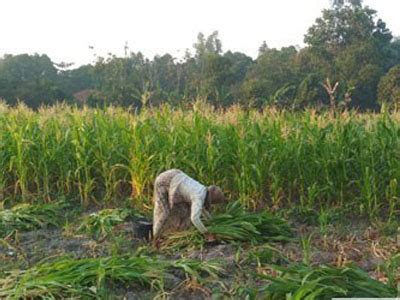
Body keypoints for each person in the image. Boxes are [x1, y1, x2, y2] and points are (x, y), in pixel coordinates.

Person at [152, 169, 225, 240]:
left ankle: (171, 233)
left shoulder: (201, 190)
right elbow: (194, 218)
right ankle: (155, 237)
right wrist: (206, 233)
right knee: (164, 211)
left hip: (176, 175)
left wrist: (212, 222)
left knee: (185, 212)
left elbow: (202, 210)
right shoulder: (199, 197)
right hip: (164, 180)